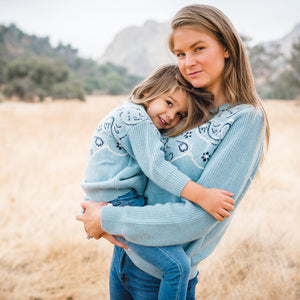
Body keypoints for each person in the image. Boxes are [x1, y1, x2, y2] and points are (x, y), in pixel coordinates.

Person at [77, 4, 270, 300]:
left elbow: (198, 217)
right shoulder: (187, 106)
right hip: (124, 258)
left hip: (161, 277)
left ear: (227, 48)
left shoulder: (244, 119)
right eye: (180, 54)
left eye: (198, 48)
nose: (188, 62)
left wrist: (107, 219)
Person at [80, 64, 235, 300]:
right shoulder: (136, 119)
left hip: (106, 200)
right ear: (147, 92)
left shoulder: (124, 113)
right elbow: (157, 168)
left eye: (180, 115)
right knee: (178, 267)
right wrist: (202, 195)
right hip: (121, 203)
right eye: (169, 103)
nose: (171, 116)